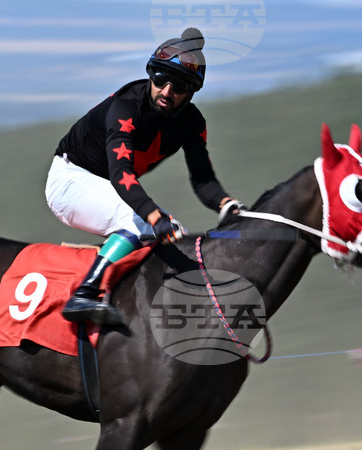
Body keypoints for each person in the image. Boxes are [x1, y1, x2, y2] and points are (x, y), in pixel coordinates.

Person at [46, 27, 244, 325]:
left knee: (173, 229)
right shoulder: (126, 107)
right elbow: (121, 175)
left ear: (191, 92)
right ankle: (84, 294)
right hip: (70, 180)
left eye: (178, 86)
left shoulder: (192, 122)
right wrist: (153, 216)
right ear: (151, 74)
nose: (166, 91)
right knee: (141, 223)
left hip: (107, 186)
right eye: (161, 79)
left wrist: (227, 205)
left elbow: (203, 180)